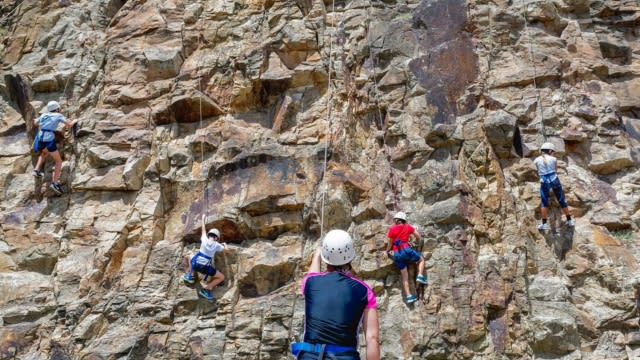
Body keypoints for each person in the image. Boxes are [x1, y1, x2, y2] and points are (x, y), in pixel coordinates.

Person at [291, 229, 380, 360]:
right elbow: (372, 338)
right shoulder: (364, 291)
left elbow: (312, 274)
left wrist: (317, 255)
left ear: (325, 257)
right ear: (350, 257)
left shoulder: (310, 282)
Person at [32, 100, 77, 195]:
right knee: (58, 161)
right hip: (48, 138)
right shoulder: (58, 115)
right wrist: (75, 121)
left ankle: (36, 170)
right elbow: (69, 124)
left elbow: (36, 123)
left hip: (40, 137)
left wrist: (39, 121)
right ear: (57, 108)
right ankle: (55, 183)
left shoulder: (44, 115)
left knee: (44, 153)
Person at [182, 214, 229, 301]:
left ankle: (190, 276)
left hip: (196, 264)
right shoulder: (217, 245)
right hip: (205, 268)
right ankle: (206, 289)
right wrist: (225, 244)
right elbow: (227, 250)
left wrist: (203, 219)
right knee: (221, 277)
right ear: (216, 238)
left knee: (189, 256)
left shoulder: (204, 239)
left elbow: (203, 230)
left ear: (209, 235)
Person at [386, 211, 427, 304]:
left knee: (405, 277)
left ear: (396, 220)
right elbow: (418, 236)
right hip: (406, 250)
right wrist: (414, 241)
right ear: (403, 220)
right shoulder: (407, 226)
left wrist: (387, 251)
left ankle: (409, 296)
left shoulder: (392, 229)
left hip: (397, 254)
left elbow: (390, 243)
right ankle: (420, 275)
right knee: (421, 259)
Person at [533, 142, 574, 230]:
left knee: (544, 203)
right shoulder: (553, 159)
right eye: (553, 152)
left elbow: (536, 170)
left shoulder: (536, 160)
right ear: (550, 150)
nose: (553, 153)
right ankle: (569, 220)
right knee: (561, 200)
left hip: (544, 181)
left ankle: (544, 224)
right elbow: (555, 170)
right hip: (554, 179)